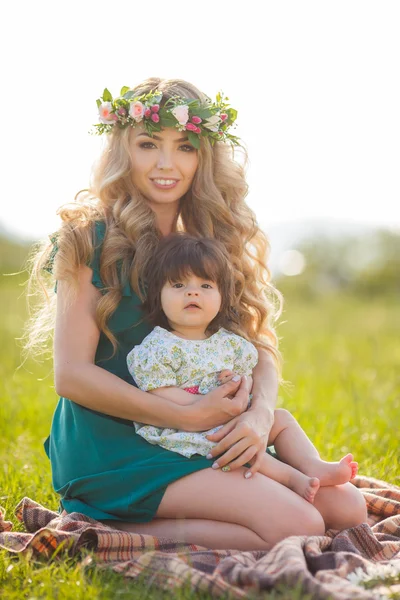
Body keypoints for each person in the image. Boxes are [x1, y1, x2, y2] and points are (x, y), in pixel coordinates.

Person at [26, 77, 367, 551]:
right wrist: (183, 417)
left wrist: (257, 418)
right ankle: (105, 527)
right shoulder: (90, 237)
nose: (166, 164)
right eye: (149, 144)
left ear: (202, 157)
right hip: (115, 444)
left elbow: (259, 348)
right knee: (301, 525)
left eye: (184, 147)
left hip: (201, 432)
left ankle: (235, 516)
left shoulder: (209, 243)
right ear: (124, 150)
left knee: (346, 509)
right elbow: (72, 376)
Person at [126, 233, 358, 505]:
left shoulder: (229, 343)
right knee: (233, 439)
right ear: (159, 296)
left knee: (280, 418)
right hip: (187, 427)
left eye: (205, 285)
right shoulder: (158, 346)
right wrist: (204, 407)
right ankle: (289, 478)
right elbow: (160, 391)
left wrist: (233, 382)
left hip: (231, 414)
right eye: (178, 284)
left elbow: (244, 378)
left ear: (222, 297)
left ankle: (312, 463)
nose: (192, 292)